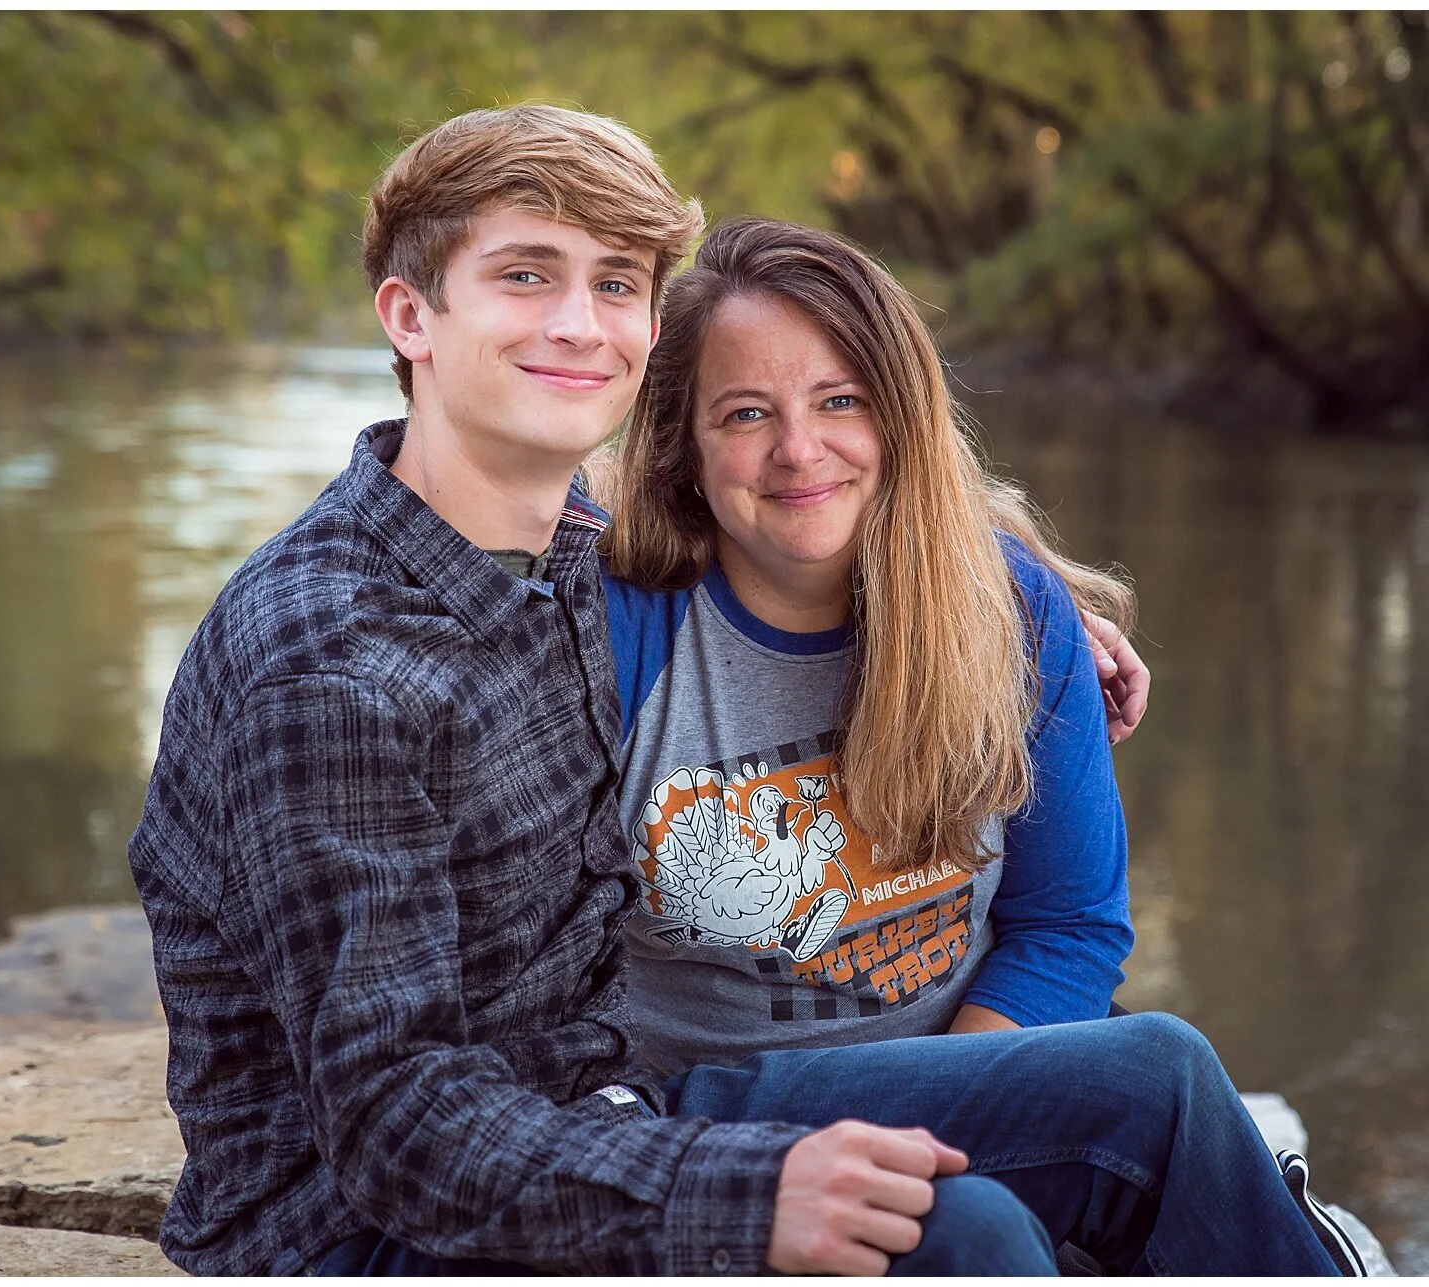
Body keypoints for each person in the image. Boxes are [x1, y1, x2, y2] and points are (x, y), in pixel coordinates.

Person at [128, 103, 1345, 1277]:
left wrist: (1015, 596)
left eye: (615, 284)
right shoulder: (333, 664)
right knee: (958, 1234)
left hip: (594, 1109)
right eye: (524, 276)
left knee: (1152, 1079)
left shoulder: (548, 555)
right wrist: (752, 1194)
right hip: (383, 1225)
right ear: (411, 316)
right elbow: (396, 1131)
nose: (578, 324)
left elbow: (804, 495)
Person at [595, 217, 1136, 1075]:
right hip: (712, 1118)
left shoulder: (1017, 612)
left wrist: (936, 1123)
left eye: (840, 400)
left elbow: (1067, 928)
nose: (799, 450)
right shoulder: (615, 630)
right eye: (745, 413)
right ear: (683, 449)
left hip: (964, 1077)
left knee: (1162, 1067)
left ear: (899, 417)